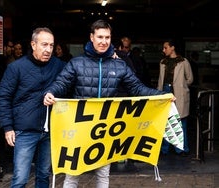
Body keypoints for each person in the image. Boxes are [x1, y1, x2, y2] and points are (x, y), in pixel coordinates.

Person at [43, 19, 173, 188]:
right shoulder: (76, 63)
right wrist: (51, 92)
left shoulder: (119, 65)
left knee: (103, 175)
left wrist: (163, 96)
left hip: (104, 130)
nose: (104, 41)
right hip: (80, 128)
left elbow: (138, 89)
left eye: (107, 37)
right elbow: (61, 83)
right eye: (100, 37)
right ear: (92, 37)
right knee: (72, 175)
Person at [0, 27, 66, 187]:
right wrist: (8, 127)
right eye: (44, 45)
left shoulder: (58, 65)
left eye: (51, 45)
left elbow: (79, 69)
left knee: (43, 175)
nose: (48, 49)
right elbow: (3, 98)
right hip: (24, 131)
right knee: (20, 179)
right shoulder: (16, 68)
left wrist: (112, 57)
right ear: (33, 45)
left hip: (50, 131)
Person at [157, 38, 193, 156]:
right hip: (165, 91)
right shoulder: (163, 62)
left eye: (165, 47)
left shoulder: (183, 61)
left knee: (181, 122)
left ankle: (182, 149)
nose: (164, 50)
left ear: (172, 48)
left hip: (179, 93)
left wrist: (181, 87)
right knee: (166, 122)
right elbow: (160, 80)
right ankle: (165, 149)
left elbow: (190, 79)